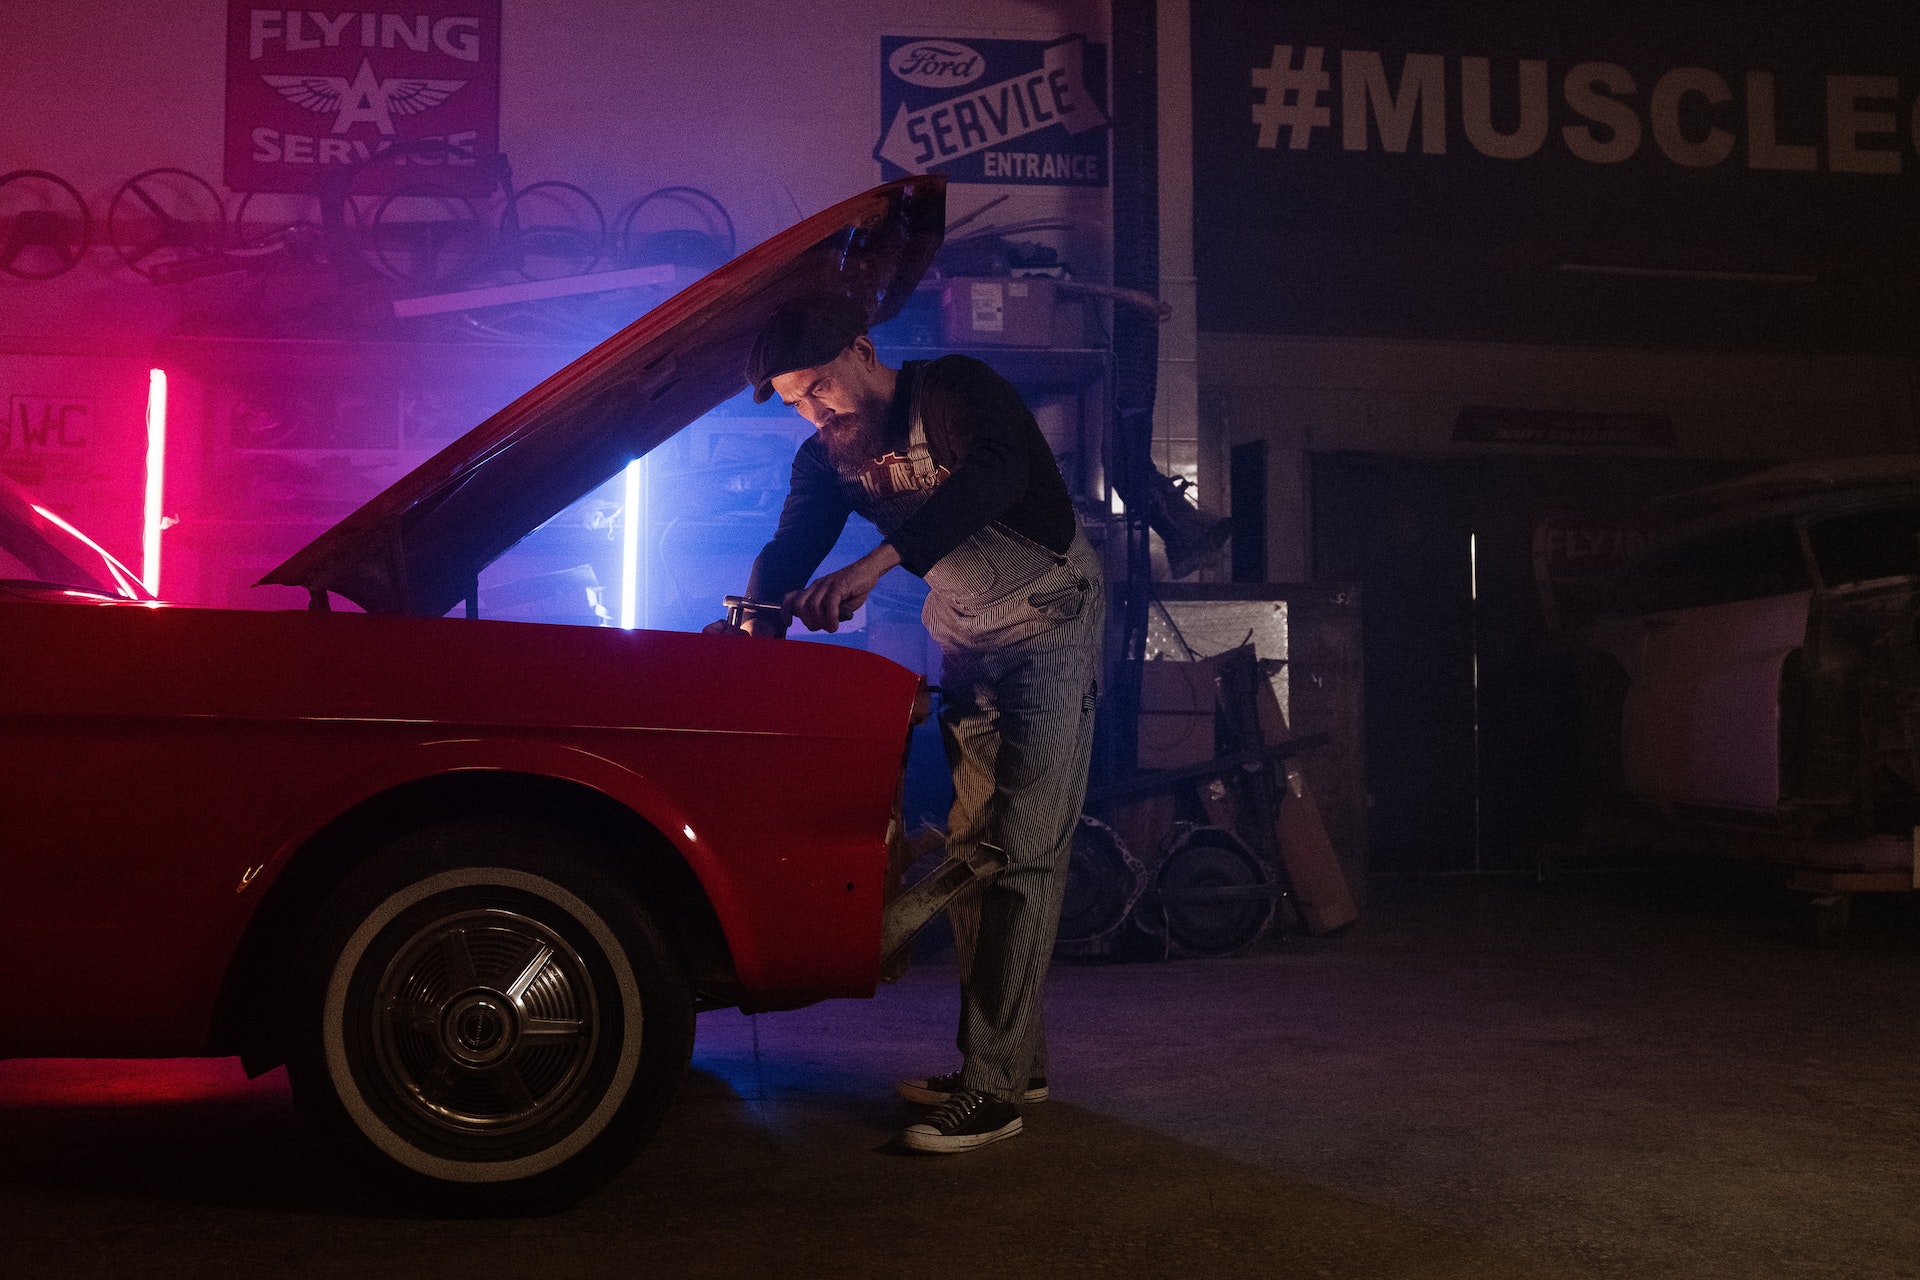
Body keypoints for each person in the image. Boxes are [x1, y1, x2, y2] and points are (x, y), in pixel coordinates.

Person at [716, 293, 1103, 1154]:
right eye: (796, 403)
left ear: (862, 349)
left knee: (1017, 850)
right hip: (967, 641)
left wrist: (877, 563)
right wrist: (755, 621)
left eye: (820, 387)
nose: (815, 411)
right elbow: (790, 550)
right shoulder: (827, 459)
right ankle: (1015, 1063)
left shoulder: (955, 389)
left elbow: (996, 474)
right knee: (974, 843)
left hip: (1050, 622)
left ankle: (992, 1089)